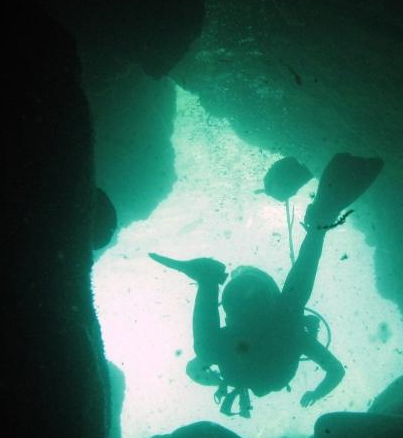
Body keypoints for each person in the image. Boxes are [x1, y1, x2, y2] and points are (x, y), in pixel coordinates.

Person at [150, 153, 383, 417]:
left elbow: (335, 371)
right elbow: (335, 370)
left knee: (291, 306)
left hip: (268, 324)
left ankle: (317, 227)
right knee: (287, 309)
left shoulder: (284, 339)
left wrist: (315, 393)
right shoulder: (286, 334)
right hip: (268, 320)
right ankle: (208, 280)